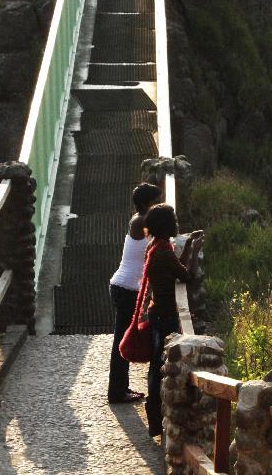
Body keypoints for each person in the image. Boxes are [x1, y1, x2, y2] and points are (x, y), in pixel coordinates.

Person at [142, 203, 203, 437]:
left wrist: (186, 245)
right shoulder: (163, 250)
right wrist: (195, 250)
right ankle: (156, 417)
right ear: (166, 224)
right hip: (165, 315)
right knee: (160, 366)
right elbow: (186, 275)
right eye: (174, 219)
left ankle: (154, 417)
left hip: (157, 311)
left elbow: (177, 267)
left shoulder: (156, 245)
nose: (177, 222)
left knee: (156, 363)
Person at [107, 183, 161, 404]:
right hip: (126, 288)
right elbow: (162, 233)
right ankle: (117, 392)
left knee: (123, 338)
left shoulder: (138, 219)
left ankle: (120, 388)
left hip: (125, 286)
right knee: (122, 340)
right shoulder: (142, 221)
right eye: (157, 201)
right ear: (149, 202)